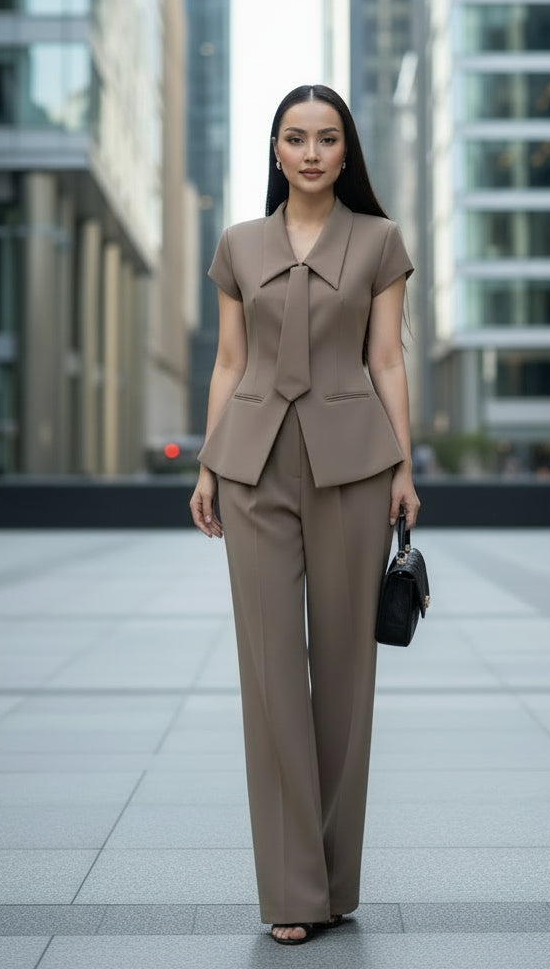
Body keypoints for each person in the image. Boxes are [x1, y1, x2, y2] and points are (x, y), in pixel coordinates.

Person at [190, 83, 420, 946]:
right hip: (250, 467)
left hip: (355, 466)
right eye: (297, 138)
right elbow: (227, 361)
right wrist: (209, 461)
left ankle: (332, 876)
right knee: (270, 673)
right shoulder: (238, 244)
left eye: (328, 138)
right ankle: (293, 890)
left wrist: (404, 465)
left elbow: (388, 360)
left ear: (347, 151)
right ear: (276, 149)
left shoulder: (379, 241)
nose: (313, 152)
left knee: (345, 683)